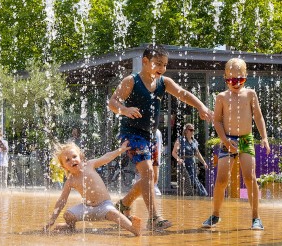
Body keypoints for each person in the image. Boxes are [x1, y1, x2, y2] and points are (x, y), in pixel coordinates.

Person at [107, 44, 213, 230]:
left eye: (164, 65)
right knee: (147, 173)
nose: (161, 68)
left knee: (151, 179)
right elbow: (112, 102)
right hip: (131, 133)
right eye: (157, 64)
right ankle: (155, 218)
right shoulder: (131, 81)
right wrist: (124, 109)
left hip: (150, 137)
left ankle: (123, 204)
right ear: (145, 62)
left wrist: (201, 106)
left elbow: (183, 93)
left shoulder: (164, 82)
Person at [202, 57, 270, 231]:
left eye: (240, 79)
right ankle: (215, 214)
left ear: (245, 76)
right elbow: (217, 121)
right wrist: (225, 140)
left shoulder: (250, 94)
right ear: (225, 78)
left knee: (250, 177)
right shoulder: (221, 97)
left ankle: (256, 217)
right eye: (231, 80)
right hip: (228, 139)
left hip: (246, 139)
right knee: (221, 179)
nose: (236, 83)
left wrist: (264, 137)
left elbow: (258, 116)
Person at [44, 140, 142, 237]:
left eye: (74, 157)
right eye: (67, 160)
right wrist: (53, 218)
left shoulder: (90, 165)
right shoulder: (70, 181)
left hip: (104, 206)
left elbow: (106, 157)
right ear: (63, 167)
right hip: (87, 208)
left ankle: (133, 228)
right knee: (67, 215)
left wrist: (120, 150)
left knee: (115, 214)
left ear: (80, 157)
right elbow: (62, 200)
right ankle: (70, 226)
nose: (72, 160)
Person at [172, 123, 208, 196]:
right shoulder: (180, 140)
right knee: (187, 182)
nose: (192, 132)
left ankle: (202, 195)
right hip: (184, 164)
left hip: (192, 163)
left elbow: (197, 154)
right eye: (191, 130)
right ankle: (200, 195)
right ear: (186, 131)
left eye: (193, 130)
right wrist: (178, 159)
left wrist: (204, 162)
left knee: (194, 180)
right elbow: (174, 152)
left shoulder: (194, 141)